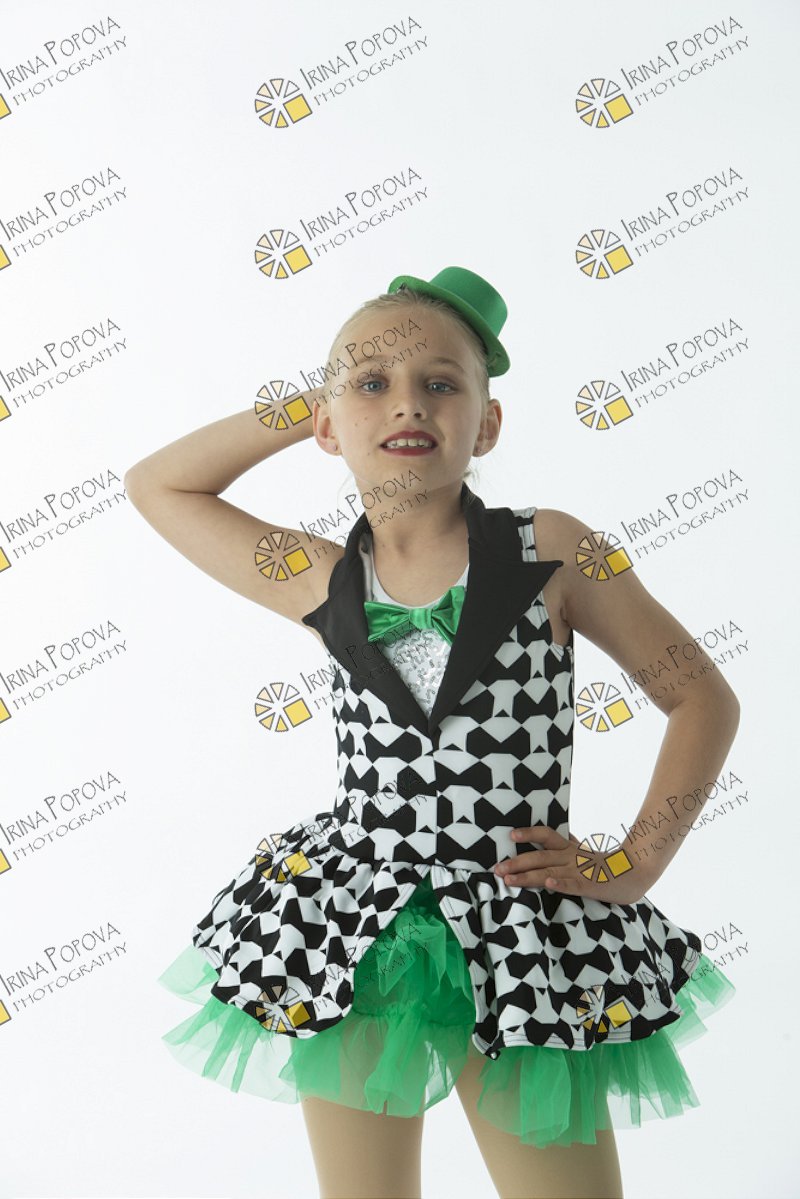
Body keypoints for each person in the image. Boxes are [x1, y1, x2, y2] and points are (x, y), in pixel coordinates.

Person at [125, 266, 738, 1199]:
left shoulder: (553, 549)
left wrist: (635, 861)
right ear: (329, 425)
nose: (408, 403)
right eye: (373, 384)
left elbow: (701, 697)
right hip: (361, 928)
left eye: (441, 383)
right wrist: (315, 401)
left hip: (521, 929)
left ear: (486, 425)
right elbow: (159, 484)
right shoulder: (318, 574)